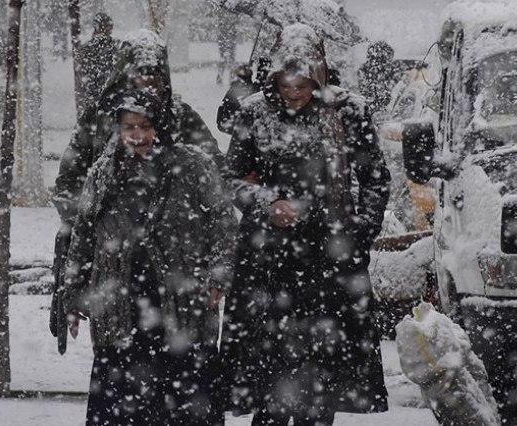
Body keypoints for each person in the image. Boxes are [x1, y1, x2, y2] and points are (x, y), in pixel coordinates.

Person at [221, 24, 391, 426]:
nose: (294, 93)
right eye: (286, 84)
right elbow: (229, 178)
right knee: (270, 383)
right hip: (267, 261)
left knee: (322, 383)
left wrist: (359, 233)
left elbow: (376, 179)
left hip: (329, 262)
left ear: (319, 76)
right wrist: (267, 202)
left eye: (302, 84)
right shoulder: (255, 112)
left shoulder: (347, 110)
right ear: (274, 77)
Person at [63, 89, 235, 425]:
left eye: (145, 126)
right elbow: (82, 237)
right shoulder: (102, 172)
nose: (137, 135)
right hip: (119, 305)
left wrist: (218, 276)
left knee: (183, 400)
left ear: (161, 126)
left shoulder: (193, 166)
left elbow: (224, 224)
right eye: (129, 127)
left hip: (181, 302)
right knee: (122, 403)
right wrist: (73, 295)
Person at [50, 29, 223, 346]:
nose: (147, 87)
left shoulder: (182, 117)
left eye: (154, 80)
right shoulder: (100, 118)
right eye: (139, 78)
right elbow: (68, 183)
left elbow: (216, 179)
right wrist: (98, 225)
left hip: (175, 262)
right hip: (115, 264)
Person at [75, 12, 122, 116]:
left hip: (96, 99)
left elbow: (82, 78)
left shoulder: (84, 49)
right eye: (108, 26)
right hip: (110, 99)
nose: (110, 29)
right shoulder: (117, 46)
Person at [357, 41, 400, 116]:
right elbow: (367, 93)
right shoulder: (368, 70)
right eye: (388, 58)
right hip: (372, 110)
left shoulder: (384, 70)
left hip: (376, 108)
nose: (389, 61)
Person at [216, 11, 240, 85]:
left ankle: (227, 77)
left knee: (228, 59)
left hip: (228, 39)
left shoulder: (226, 14)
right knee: (226, 59)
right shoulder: (227, 14)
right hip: (225, 39)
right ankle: (224, 77)